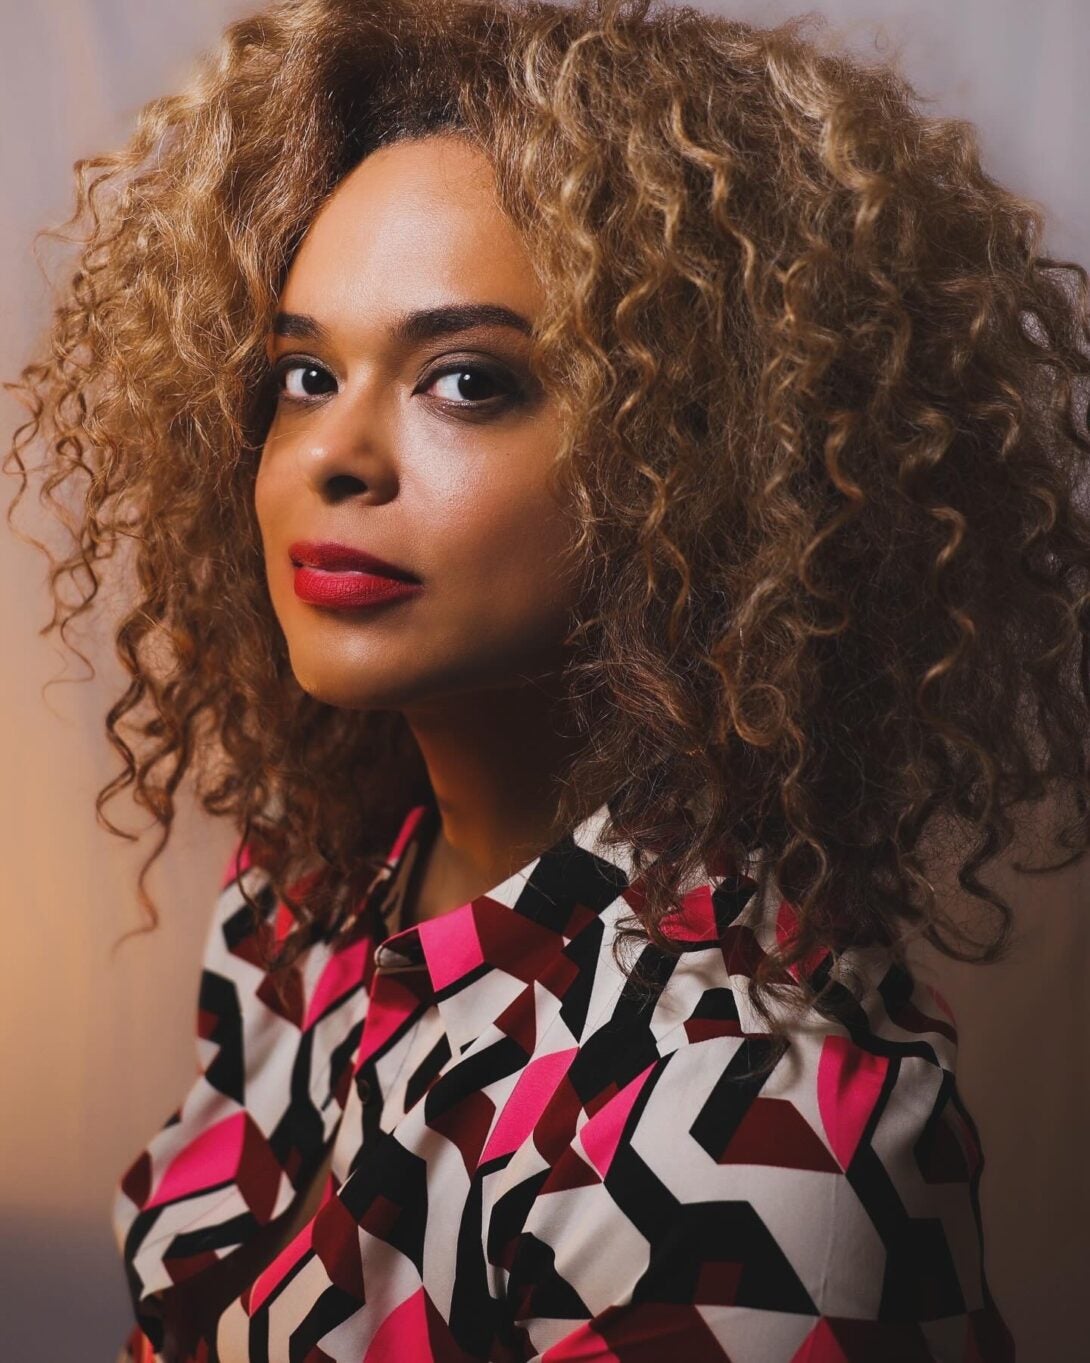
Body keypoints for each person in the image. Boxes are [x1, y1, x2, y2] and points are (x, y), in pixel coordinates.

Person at [11, 0, 1090, 1356]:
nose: (334, 454)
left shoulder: (749, 1138)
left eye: (467, 380)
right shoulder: (302, 899)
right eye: (301, 371)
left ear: (690, 460)